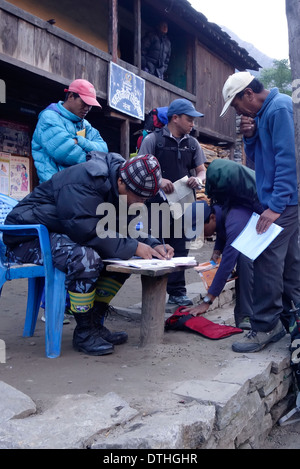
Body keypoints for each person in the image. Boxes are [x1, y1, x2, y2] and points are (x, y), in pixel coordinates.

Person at [3, 153, 174, 356]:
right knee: (85, 258)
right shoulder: (84, 180)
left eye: (145, 199)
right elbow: (85, 230)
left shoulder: (122, 189)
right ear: (121, 181)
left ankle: (94, 322)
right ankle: (84, 332)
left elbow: (127, 230)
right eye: (138, 198)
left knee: (124, 257)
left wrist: (153, 245)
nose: (140, 203)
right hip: (27, 235)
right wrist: (134, 247)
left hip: (60, 232)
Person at [219, 71, 300, 353]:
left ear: (249, 95)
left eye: (236, 104)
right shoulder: (264, 114)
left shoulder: (279, 109)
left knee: (266, 257)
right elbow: (258, 159)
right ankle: (294, 316)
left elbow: (289, 160)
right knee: (290, 262)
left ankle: (266, 325)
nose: (237, 111)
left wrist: (275, 207)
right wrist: (250, 137)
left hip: (285, 202)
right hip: (280, 200)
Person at [138, 98, 206, 306]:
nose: (192, 124)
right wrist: (159, 180)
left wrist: (198, 179)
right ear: (174, 118)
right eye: (189, 119)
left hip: (184, 203)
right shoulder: (153, 140)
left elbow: (202, 170)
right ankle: (153, 293)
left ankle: (177, 292)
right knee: (156, 245)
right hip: (156, 204)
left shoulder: (192, 143)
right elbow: (141, 168)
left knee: (180, 247)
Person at [182, 201, 253, 329]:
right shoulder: (221, 212)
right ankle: (242, 321)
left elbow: (227, 265)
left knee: (244, 261)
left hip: (267, 248)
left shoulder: (234, 220)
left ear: (212, 218)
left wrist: (207, 301)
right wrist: (217, 250)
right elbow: (222, 228)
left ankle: (248, 317)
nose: (200, 235)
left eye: (200, 230)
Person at [32, 79, 108, 183]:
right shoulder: (49, 117)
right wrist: (96, 162)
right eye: (84, 102)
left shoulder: (85, 124)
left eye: (90, 105)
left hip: (76, 186)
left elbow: (103, 149)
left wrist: (80, 141)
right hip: (54, 187)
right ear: (71, 96)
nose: (87, 108)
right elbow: (65, 151)